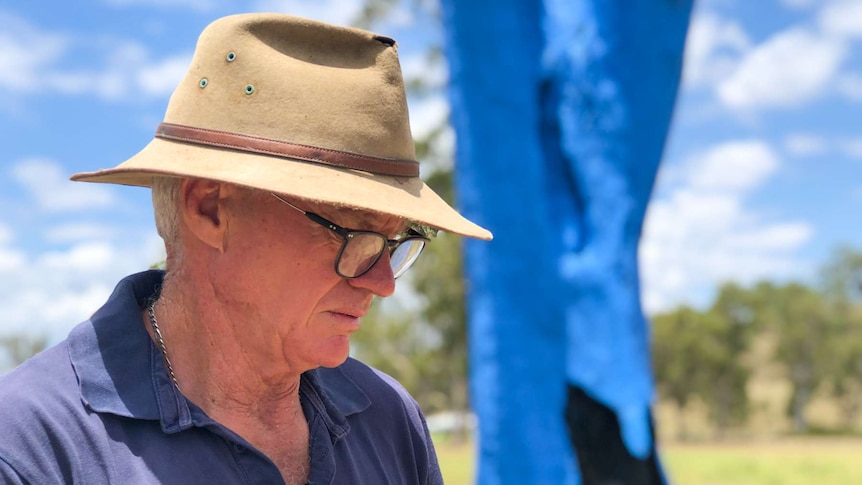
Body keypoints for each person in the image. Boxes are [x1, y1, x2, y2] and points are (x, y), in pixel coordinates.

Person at [0, 13, 491, 485]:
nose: (382, 284)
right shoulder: (31, 447)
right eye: (354, 235)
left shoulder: (387, 415)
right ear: (209, 209)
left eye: (394, 242)